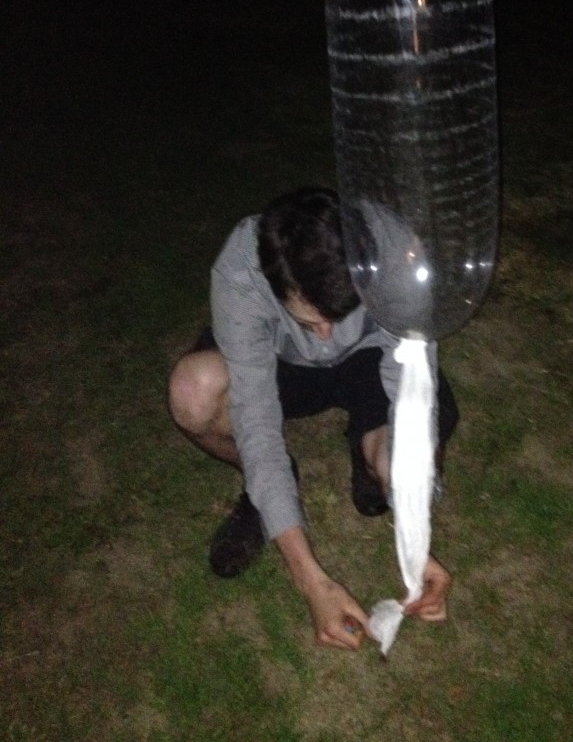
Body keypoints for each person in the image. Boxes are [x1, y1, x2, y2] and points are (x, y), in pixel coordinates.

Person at [168, 187, 459, 651]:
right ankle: (265, 494)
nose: (326, 335)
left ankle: (368, 447)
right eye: (309, 320)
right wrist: (313, 584)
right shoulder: (242, 270)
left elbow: (411, 396)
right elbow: (257, 423)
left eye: (337, 315)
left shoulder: (397, 258)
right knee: (192, 393)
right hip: (283, 365)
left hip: (370, 359)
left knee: (405, 457)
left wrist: (415, 541)